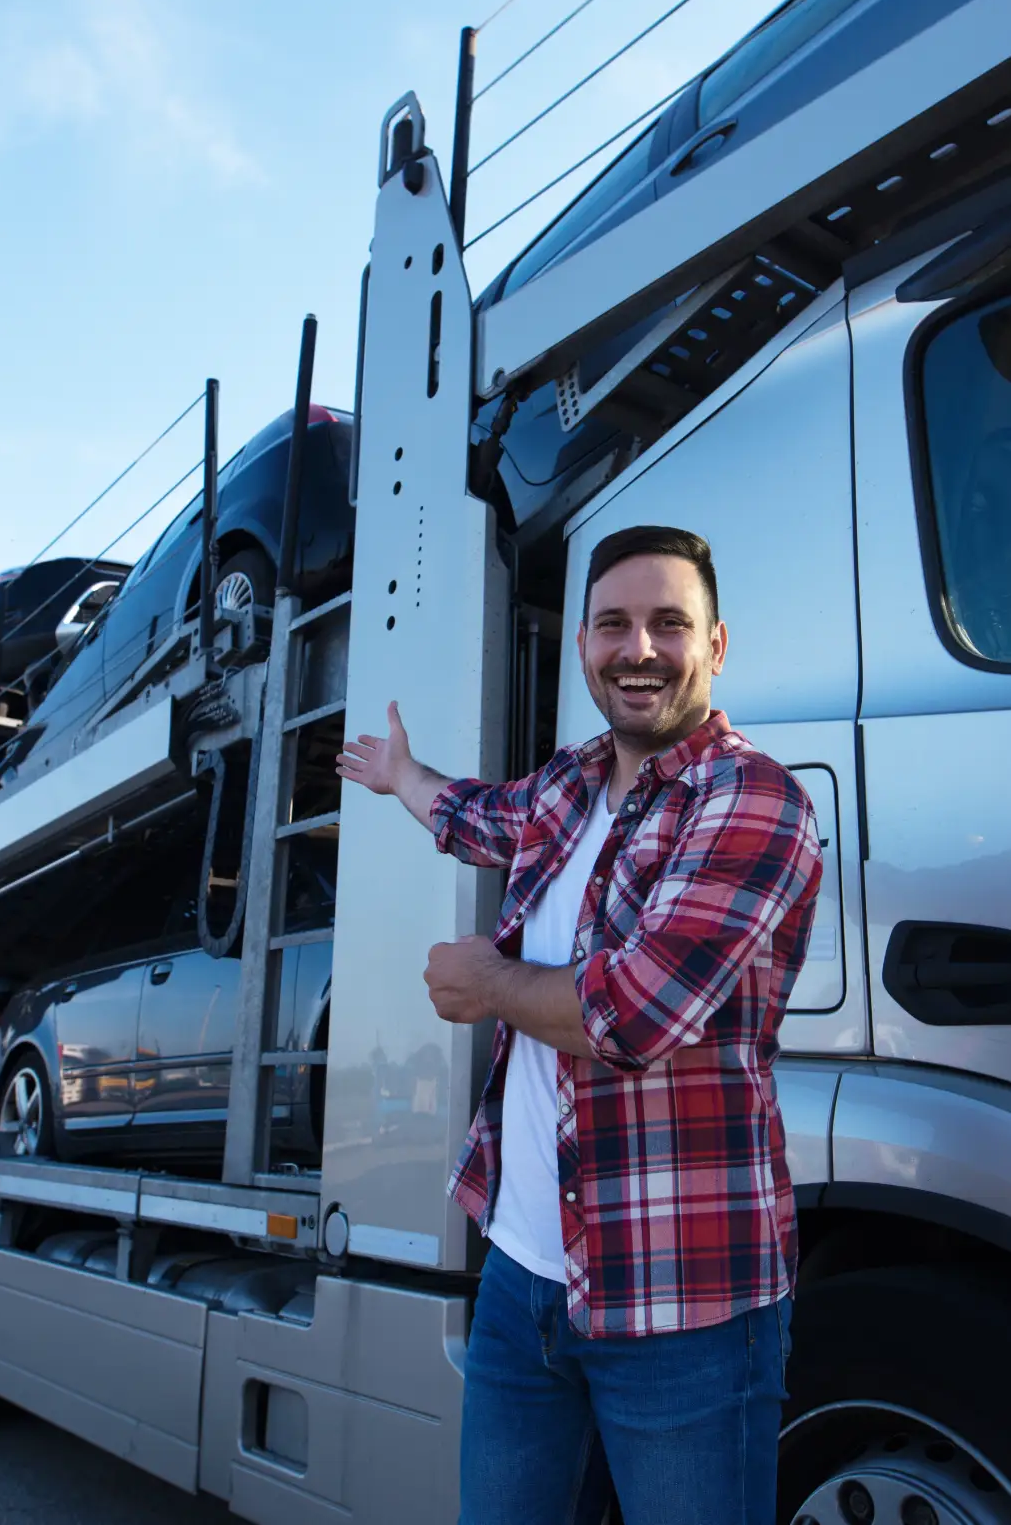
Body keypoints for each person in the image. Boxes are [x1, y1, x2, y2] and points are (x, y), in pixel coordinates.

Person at [337, 524, 824, 1525]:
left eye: (667, 625)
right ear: (582, 646)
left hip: (682, 1300)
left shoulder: (752, 798)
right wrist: (402, 776)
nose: (637, 649)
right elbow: (477, 817)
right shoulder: (568, 780)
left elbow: (635, 1012)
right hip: (521, 1281)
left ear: (715, 646)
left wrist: (487, 984)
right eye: (613, 624)